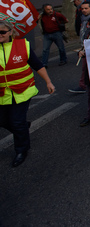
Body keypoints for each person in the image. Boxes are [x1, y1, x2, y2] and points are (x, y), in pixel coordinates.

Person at [0, 20, 55, 167]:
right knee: (3, 121)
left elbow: (37, 65)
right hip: (2, 93)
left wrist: (48, 82)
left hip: (22, 91)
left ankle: (21, 150)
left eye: (2, 32)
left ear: (10, 32)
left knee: (16, 122)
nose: (0, 35)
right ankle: (23, 127)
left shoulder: (22, 45)